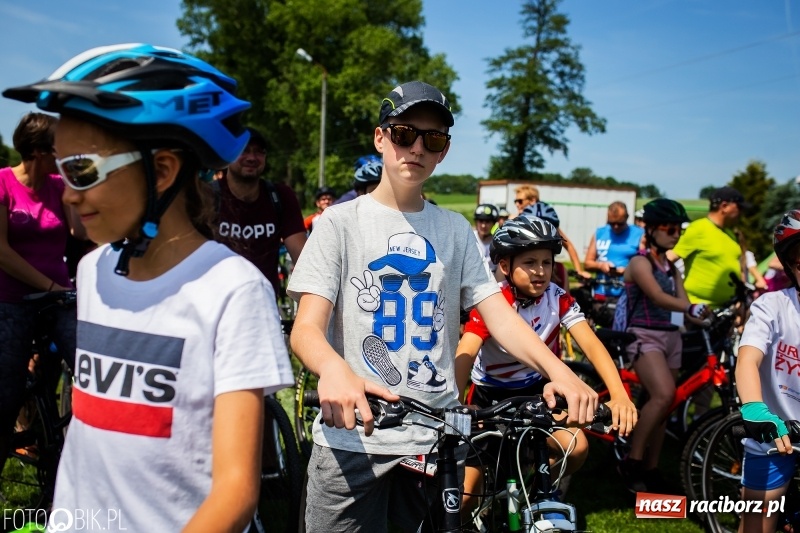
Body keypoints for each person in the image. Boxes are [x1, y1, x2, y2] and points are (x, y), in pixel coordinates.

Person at [4, 43, 295, 531]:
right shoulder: (93, 271)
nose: (68, 195)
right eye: (59, 170)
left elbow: (236, 491)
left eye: (81, 171)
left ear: (161, 171)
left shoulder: (233, 290)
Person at [286, 80, 598, 532]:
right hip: (353, 437)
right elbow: (306, 329)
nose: (416, 147)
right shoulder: (339, 223)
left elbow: (498, 315)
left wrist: (560, 371)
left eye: (432, 139)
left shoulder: (455, 229)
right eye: (403, 133)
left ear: (443, 151)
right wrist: (334, 370)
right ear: (380, 138)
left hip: (434, 440)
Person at [455, 215, 637, 516]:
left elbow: (592, 345)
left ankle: (529, 493)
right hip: (490, 396)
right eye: (529, 262)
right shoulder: (493, 301)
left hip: (537, 391)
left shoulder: (558, 297)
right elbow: (467, 350)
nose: (540, 271)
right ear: (505, 266)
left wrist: (619, 395)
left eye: (547, 262)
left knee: (577, 449)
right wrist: (456, 404)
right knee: (464, 498)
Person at [0, 112, 84, 475]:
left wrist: (74, 187)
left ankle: (69, 455)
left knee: (91, 367)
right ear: (37, 151)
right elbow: (2, 252)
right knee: (6, 396)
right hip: (11, 300)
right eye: (58, 148)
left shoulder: (57, 184)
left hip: (57, 297)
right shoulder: (3, 183)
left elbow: (79, 233)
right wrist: (50, 286)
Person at [616, 198, 711, 493]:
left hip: (671, 337)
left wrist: (706, 316)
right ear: (652, 229)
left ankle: (652, 467)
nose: (676, 235)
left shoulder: (671, 267)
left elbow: (684, 304)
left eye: (679, 230)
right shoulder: (639, 263)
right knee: (663, 394)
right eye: (670, 229)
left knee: (666, 405)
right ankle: (632, 460)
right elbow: (657, 296)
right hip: (643, 335)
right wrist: (690, 308)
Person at [735, 209, 800, 532]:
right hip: (776, 435)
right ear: (789, 266)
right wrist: (755, 408)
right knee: (756, 525)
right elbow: (748, 358)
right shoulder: (772, 306)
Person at [214, 126, 306, 299]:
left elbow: (303, 259)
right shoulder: (208, 196)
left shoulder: (280, 196)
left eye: (258, 152)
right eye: (244, 150)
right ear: (229, 154)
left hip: (263, 305)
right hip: (215, 304)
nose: (251, 157)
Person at [667, 186, 750, 308]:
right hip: (697, 309)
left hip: (727, 309)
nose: (741, 213)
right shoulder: (698, 229)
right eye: (739, 207)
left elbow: (738, 268)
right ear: (724, 206)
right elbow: (668, 259)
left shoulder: (731, 234)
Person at [584, 201, 645, 298]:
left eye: (620, 223)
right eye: (611, 223)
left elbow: (646, 265)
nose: (616, 226)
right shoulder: (599, 233)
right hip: (601, 293)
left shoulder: (639, 234)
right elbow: (587, 263)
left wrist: (628, 270)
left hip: (628, 295)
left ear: (627, 217)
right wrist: (601, 265)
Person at [473, 203, 499, 271]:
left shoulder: (498, 244)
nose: (483, 225)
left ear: (493, 223)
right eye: (480, 221)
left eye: (487, 222)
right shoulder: (468, 239)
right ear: (476, 222)